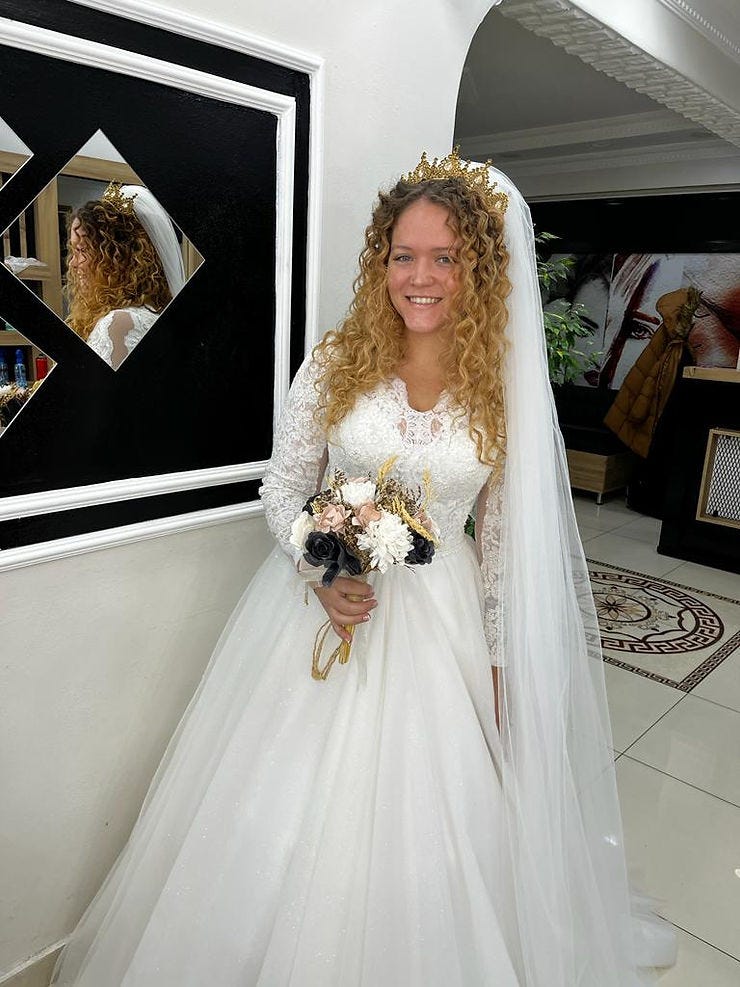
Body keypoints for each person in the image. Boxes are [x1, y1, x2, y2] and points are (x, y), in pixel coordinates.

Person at [53, 151, 675, 986]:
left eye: (444, 257)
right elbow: (282, 487)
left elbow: (496, 548)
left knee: (440, 828)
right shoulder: (336, 359)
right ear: (380, 261)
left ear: (478, 268)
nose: (420, 277)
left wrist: (498, 669)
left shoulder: (501, 389)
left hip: (442, 625)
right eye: (403, 255)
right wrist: (322, 566)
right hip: (315, 614)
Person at [65, 183, 185, 370]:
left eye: (82, 250)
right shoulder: (148, 313)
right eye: (73, 251)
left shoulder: (119, 324)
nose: (73, 263)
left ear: (117, 258)